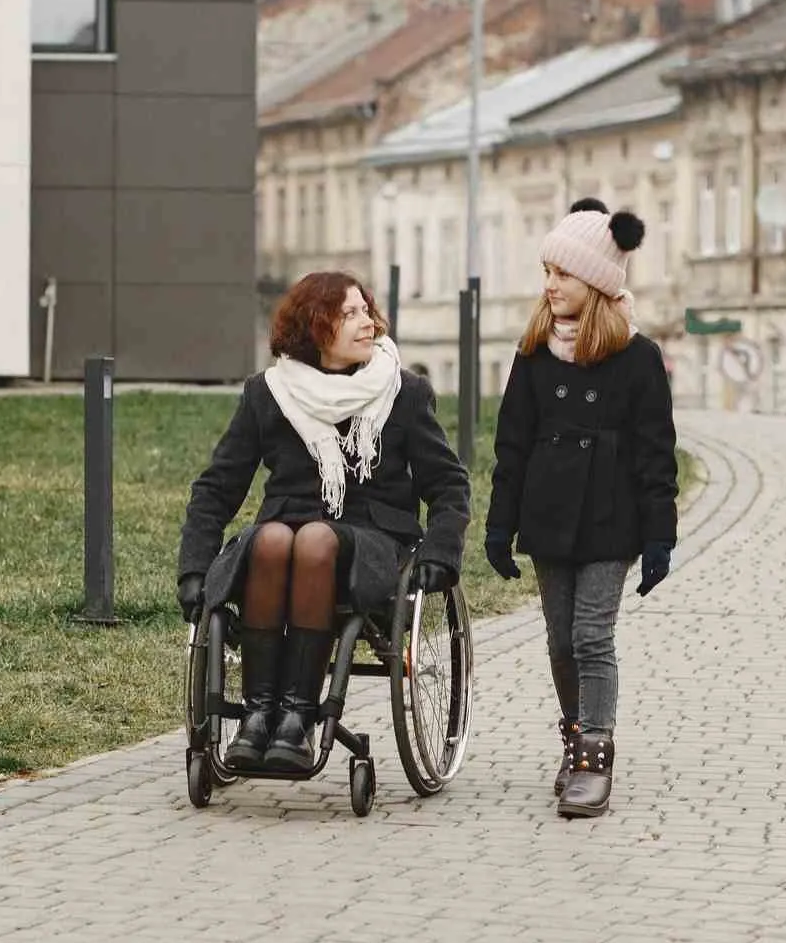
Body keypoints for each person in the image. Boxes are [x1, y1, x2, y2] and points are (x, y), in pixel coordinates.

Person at [177, 272, 471, 773]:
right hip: (283, 541)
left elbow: (448, 485)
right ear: (316, 328)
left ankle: (297, 719)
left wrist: (441, 553)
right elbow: (216, 488)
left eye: (365, 310)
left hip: (374, 546)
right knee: (270, 537)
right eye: (349, 314)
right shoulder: (268, 394)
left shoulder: (403, 391)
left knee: (312, 539)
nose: (367, 323)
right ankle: (258, 714)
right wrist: (194, 567)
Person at [483, 198, 678, 818]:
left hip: (611, 518)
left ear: (593, 280)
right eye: (546, 271)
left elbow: (656, 452)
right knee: (560, 642)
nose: (549, 285)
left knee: (593, 636)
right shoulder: (534, 351)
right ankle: (572, 738)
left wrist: (659, 536)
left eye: (561, 273)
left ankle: (595, 754)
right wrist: (499, 524)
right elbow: (511, 444)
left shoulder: (638, 357)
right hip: (549, 517)